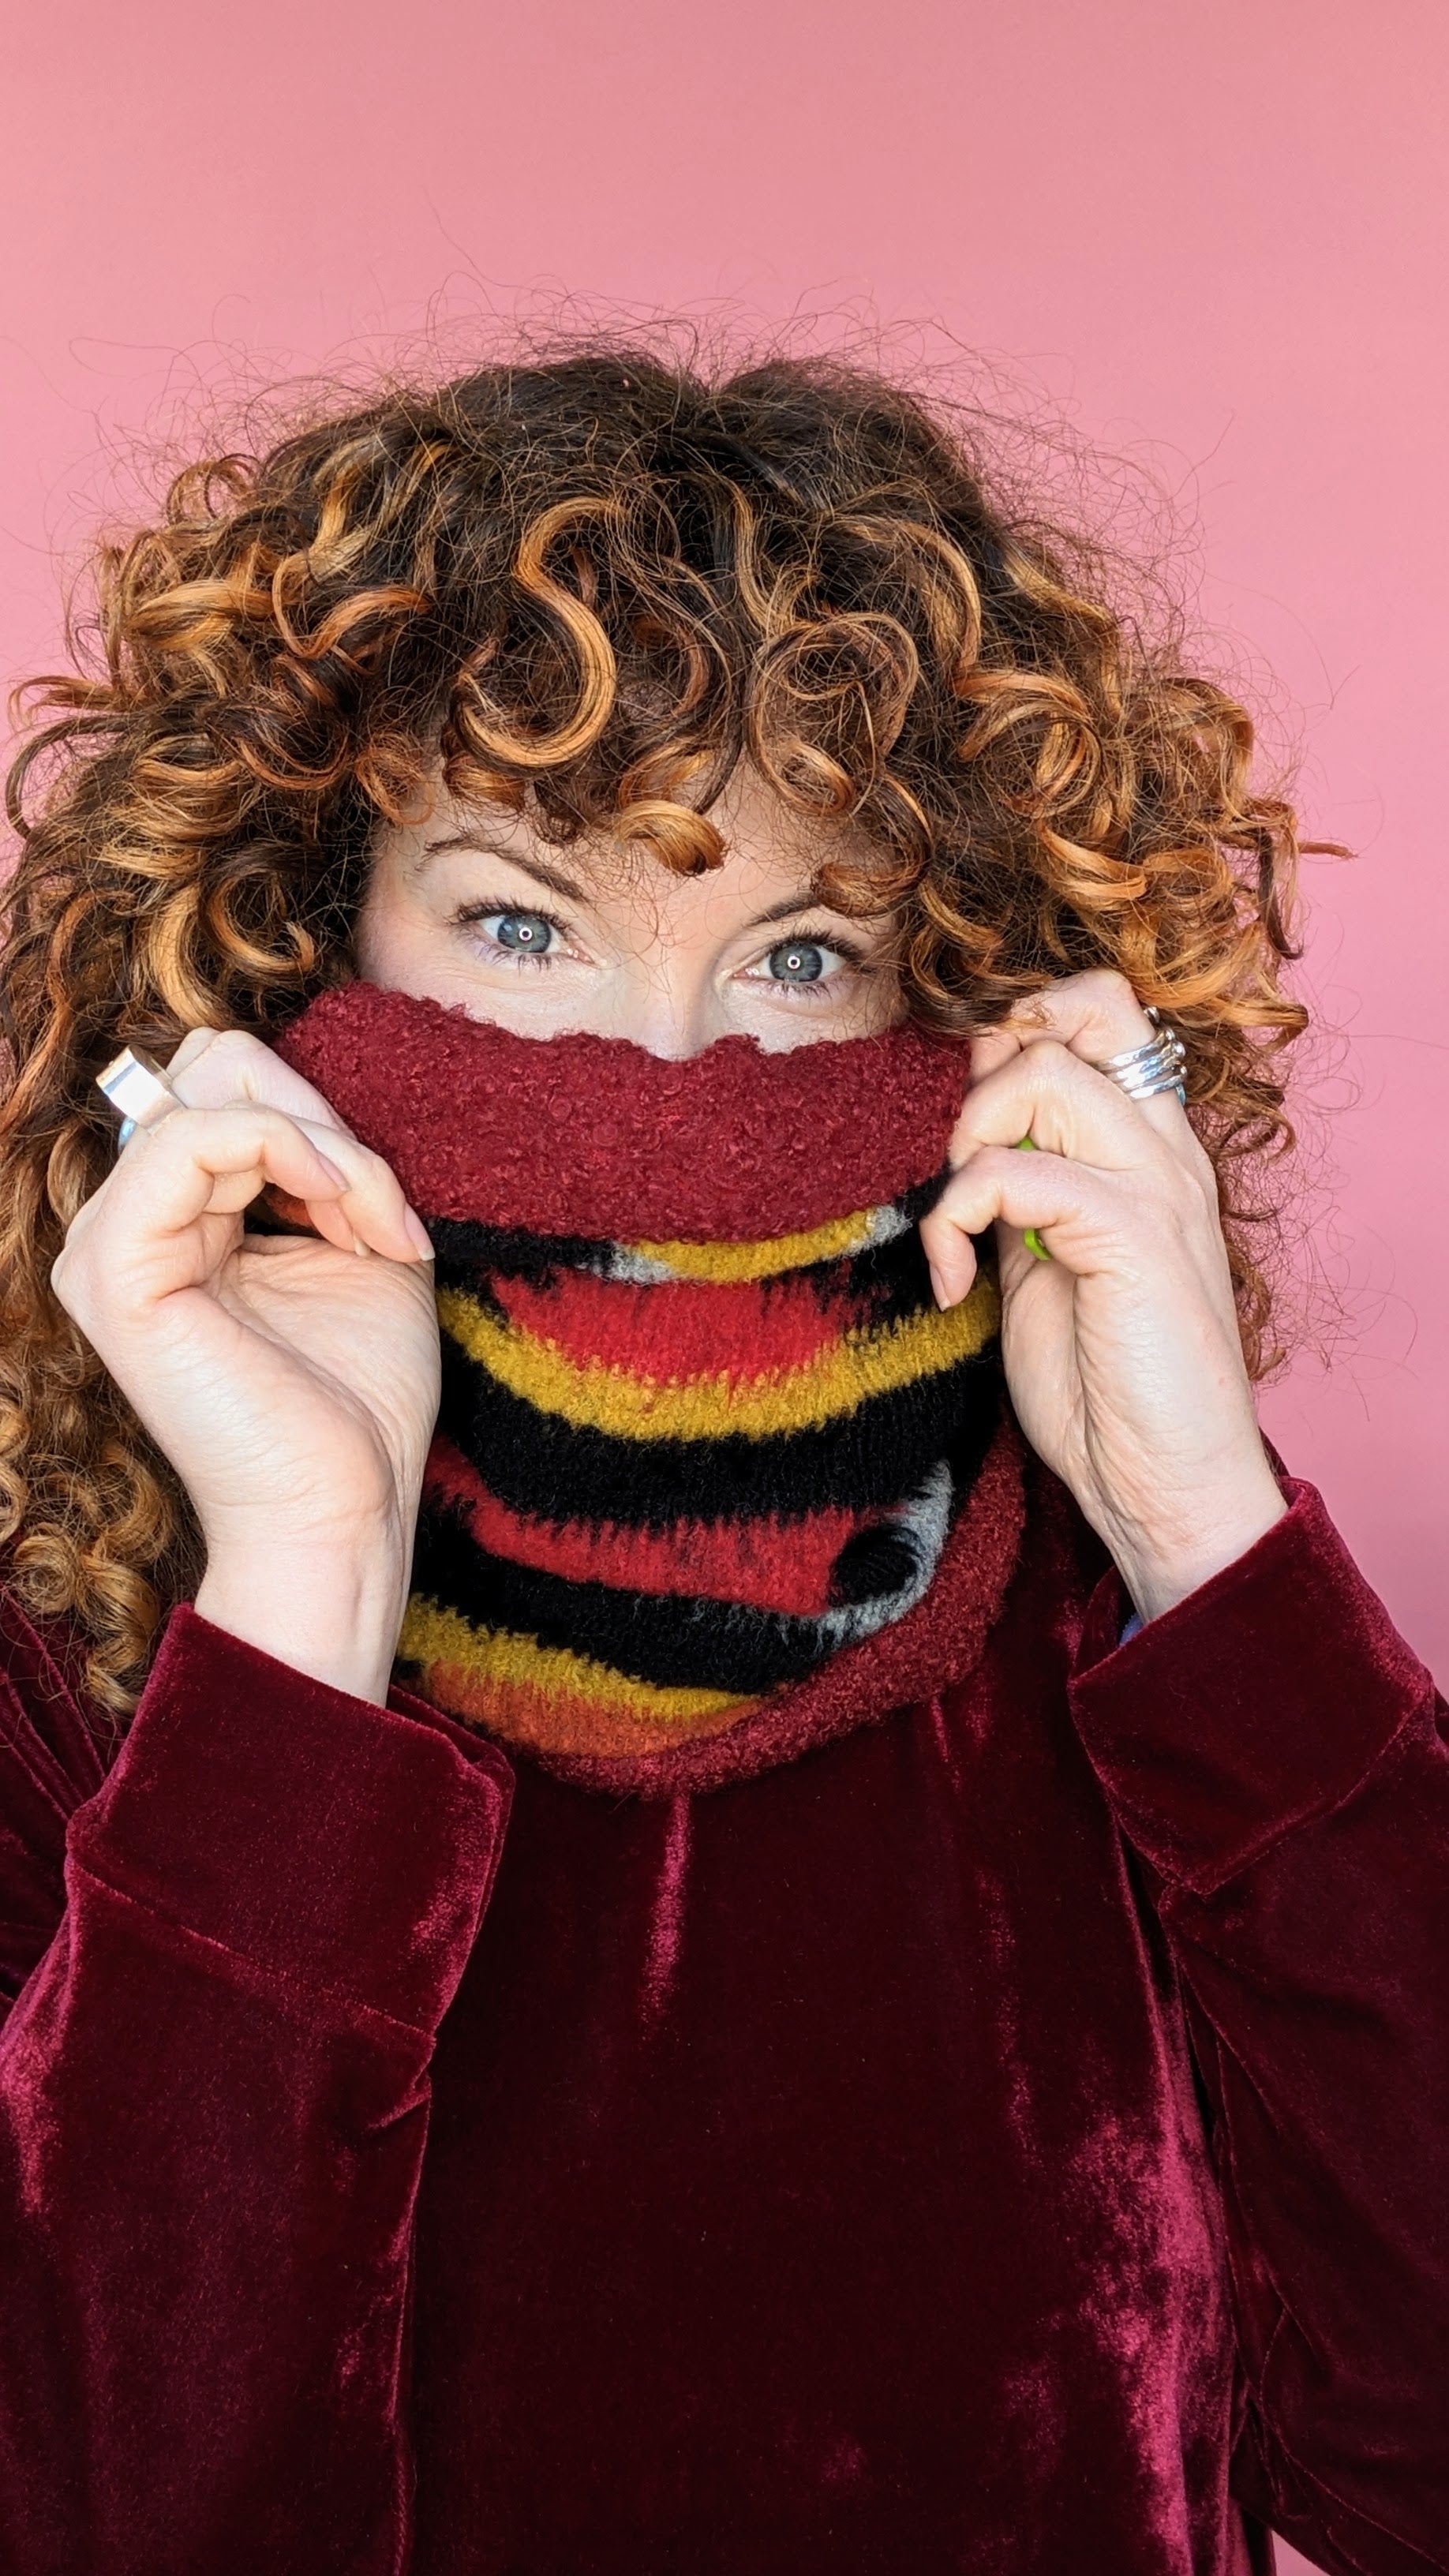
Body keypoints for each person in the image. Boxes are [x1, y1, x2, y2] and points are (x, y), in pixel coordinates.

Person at [0, 348, 1442, 2576]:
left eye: (799, 953)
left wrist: (1198, 1538)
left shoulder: (1100, 1596)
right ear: (298, 930)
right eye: (519, 924)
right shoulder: (72, 1650)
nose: (660, 1073)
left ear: (951, 997)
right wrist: (298, 1582)